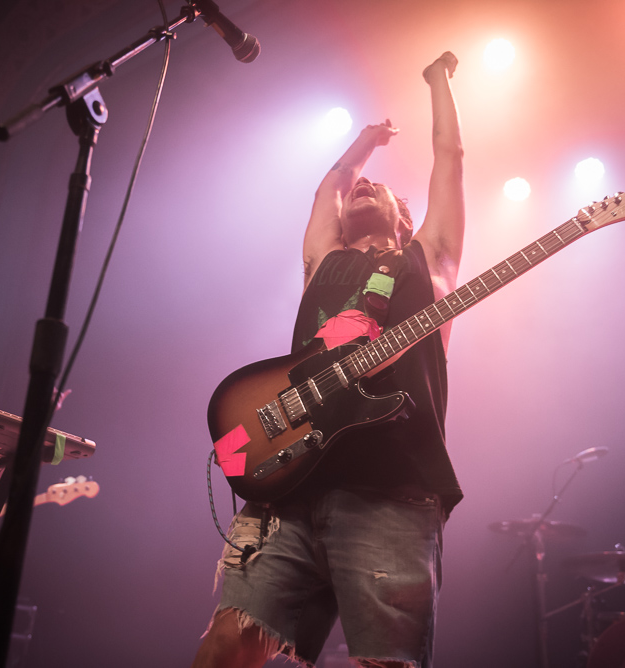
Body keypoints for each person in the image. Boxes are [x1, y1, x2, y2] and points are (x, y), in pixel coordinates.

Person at [193, 51, 465, 668]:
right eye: (362, 187)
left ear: (407, 220)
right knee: (226, 646)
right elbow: (331, 187)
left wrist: (437, 82)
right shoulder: (324, 259)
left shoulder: (430, 261)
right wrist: (364, 144)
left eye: (380, 188)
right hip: (289, 485)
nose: (366, 186)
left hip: (390, 489)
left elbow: (450, 158)